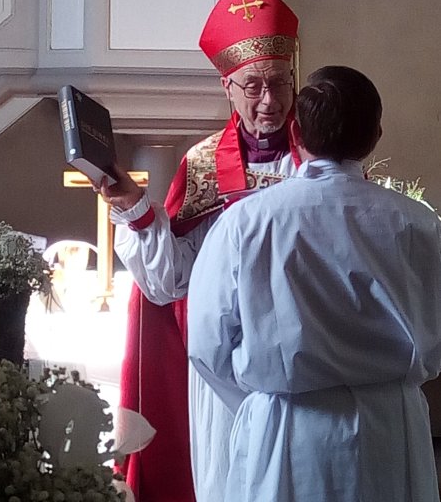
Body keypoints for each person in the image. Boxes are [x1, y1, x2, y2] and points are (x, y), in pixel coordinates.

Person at [188, 66, 441, 502]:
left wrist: (259, 398)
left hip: (286, 431)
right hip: (389, 429)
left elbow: (207, 345)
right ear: (376, 135)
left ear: (297, 134)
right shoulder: (418, 223)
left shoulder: (246, 222)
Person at [99, 0, 301, 502]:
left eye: (280, 83)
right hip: (226, 373)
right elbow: (169, 284)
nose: (269, 101)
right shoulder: (205, 165)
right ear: (226, 87)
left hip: (305, 367)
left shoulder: (319, 161)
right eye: (253, 86)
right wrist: (135, 211)